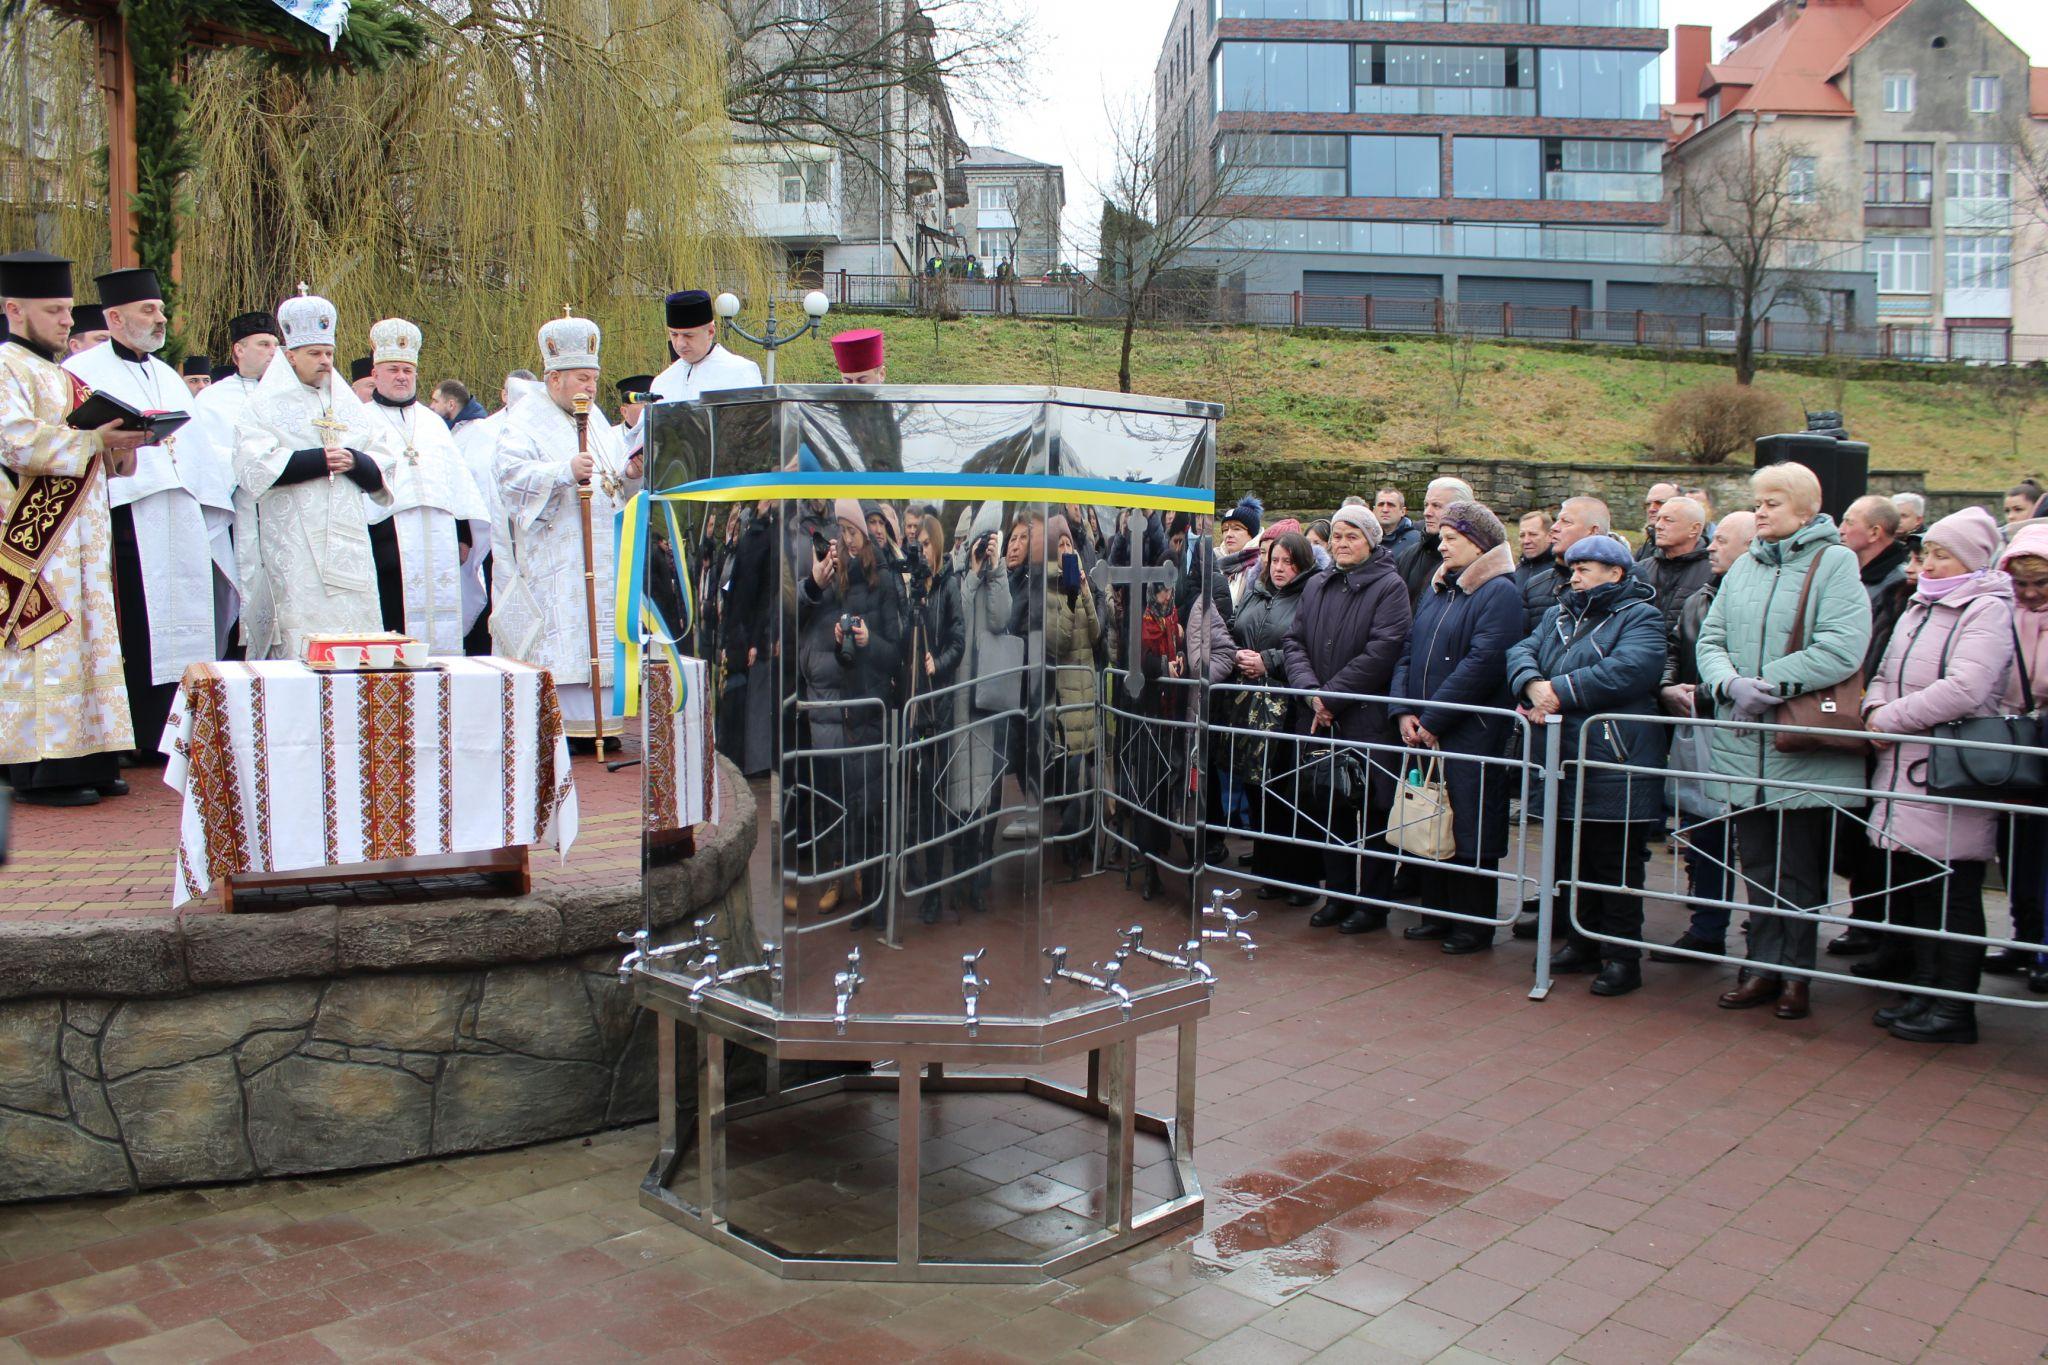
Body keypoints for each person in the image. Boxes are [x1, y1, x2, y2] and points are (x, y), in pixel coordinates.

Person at [1696, 462, 1872, 1021]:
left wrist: (1768, 684)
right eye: (1758, 502)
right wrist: (1729, 683)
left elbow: (1843, 646)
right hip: (1746, 741)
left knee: (1797, 869)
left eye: (1772, 502)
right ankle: (1760, 966)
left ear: (1804, 509)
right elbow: (1712, 636)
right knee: (1759, 864)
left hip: (1798, 747)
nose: (1761, 511)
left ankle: (1796, 974)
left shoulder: (1835, 563)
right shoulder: (1745, 565)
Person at [63, 267, 234, 760]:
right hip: (126, 518)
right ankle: (134, 735)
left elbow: (196, 447)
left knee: (185, 617)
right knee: (134, 623)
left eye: (160, 309)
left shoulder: (166, 374)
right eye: (148, 310)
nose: (161, 318)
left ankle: (175, 731)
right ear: (114, 317)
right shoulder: (82, 371)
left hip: (179, 512)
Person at [1859, 506, 2014, 1044]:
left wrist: (1890, 720)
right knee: (1920, 892)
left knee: (1953, 894)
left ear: (1969, 558)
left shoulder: (1987, 609)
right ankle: (1924, 990)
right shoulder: (1918, 606)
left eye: (1943, 555)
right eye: (1929, 553)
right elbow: (1883, 672)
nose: (1929, 563)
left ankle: (1954, 1007)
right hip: (1906, 768)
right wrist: (1873, 710)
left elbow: (1967, 688)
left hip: (1947, 772)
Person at [0, 250, 148, 806]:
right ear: (15, 309)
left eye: (67, 310)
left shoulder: (64, 376)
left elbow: (97, 449)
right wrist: (93, 441)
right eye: (55, 310)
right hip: (36, 540)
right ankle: (43, 772)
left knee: (90, 644)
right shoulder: (5, 367)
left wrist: (126, 443)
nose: (68, 320)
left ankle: (93, 755)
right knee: (47, 647)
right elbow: (15, 439)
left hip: (83, 539)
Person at [1508, 534, 1669, 996]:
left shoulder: (1640, 615)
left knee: (1614, 863)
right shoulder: (1560, 616)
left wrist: (1555, 690)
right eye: (1572, 568)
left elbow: (1631, 669)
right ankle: (1582, 940)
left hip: (1613, 757)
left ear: (1616, 573)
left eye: (1584, 569)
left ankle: (1620, 955)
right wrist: (1532, 685)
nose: (1573, 576)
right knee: (1570, 858)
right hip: (1562, 756)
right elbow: (1521, 651)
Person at [490, 311, 641, 739]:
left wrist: (629, 474)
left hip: (602, 550)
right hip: (558, 555)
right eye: (581, 379)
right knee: (567, 636)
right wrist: (562, 471)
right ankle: (565, 727)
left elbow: (609, 479)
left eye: (593, 379)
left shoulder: (593, 419)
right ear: (553, 378)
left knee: (602, 634)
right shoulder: (522, 420)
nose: (590, 388)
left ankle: (603, 725)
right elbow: (509, 479)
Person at [232, 287, 400, 660]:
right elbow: (252, 467)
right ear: (290, 356)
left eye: (328, 353)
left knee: (357, 639)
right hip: (294, 546)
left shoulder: (348, 406)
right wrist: (318, 459)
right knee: (302, 632)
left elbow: (383, 461)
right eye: (314, 354)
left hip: (349, 545)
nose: (325, 361)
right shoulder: (261, 406)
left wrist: (355, 461)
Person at [1389, 500, 1520, 951]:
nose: (1441, 545)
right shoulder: (1439, 586)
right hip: (1429, 728)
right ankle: (1437, 911)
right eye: (1442, 537)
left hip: (1472, 732)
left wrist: (1433, 718)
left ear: (1479, 543)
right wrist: (1404, 710)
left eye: (1452, 538)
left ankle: (1472, 923)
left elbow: (1482, 664)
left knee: (1470, 826)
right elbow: (1409, 649)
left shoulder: (1499, 592)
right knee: (1432, 819)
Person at [1283, 505, 1411, 931]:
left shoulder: (1390, 586)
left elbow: (1383, 649)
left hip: (1366, 719)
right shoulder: (1317, 584)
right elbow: (1294, 642)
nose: (1341, 543)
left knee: (1374, 813)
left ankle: (1372, 904)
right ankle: (1337, 894)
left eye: (1351, 535)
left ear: (1371, 541)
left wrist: (1331, 697)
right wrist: (1310, 693)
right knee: (1328, 807)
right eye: (1336, 535)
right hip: (1320, 717)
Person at [1651, 510, 1757, 963]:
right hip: (1700, 726)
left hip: (1747, 733)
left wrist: (1712, 694)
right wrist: (1668, 685)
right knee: (1707, 830)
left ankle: (1765, 931)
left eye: (1724, 540)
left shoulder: (1758, 602)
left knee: (1757, 840)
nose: (1712, 546)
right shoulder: (1700, 598)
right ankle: (1708, 927)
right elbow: (1675, 647)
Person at [359, 318, 491, 655]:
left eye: (407, 369)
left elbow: (455, 481)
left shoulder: (433, 422)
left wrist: (463, 535)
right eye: (393, 369)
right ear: (376, 373)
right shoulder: (359, 419)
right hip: (386, 540)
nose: (401, 376)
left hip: (438, 540)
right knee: (391, 626)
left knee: (440, 628)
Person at [797, 499, 902, 916]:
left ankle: (863, 875)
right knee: (833, 800)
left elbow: (895, 653)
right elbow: (792, 622)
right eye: (841, 531)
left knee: (864, 801)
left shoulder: (882, 582)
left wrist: (867, 642)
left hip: (862, 706)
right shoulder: (827, 578)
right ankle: (840, 874)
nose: (847, 539)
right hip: (827, 705)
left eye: (853, 531)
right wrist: (813, 584)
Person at [1823, 493, 1915, 960]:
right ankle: (1866, 919)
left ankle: (1878, 925)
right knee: (1858, 829)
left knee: (1876, 830)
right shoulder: (1856, 578)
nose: (1840, 527)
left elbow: (1877, 652)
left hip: (1877, 720)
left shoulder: (1895, 585)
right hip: (1857, 716)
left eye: (1849, 521)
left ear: (1876, 532)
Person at [1231, 531, 1317, 903]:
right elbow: (1237, 626)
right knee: (1258, 787)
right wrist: (1239, 656)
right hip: (1250, 704)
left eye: (1287, 562)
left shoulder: (1311, 595)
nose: (1279, 568)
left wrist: (1268, 661)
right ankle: (1270, 871)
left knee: (1287, 792)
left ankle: (1299, 878)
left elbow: (1306, 645)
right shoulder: (1257, 590)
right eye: (1274, 561)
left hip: (1286, 708)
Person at [946, 504, 1013, 910]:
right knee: (957, 792)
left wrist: (997, 568)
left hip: (985, 694)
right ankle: (959, 877)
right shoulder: (957, 573)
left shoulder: (995, 574)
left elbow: (1000, 616)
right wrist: (971, 572)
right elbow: (957, 612)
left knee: (983, 793)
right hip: (958, 694)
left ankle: (977, 882)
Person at [1991, 524, 2048, 994]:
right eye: (2021, 583)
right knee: (2015, 848)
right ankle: (2024, 936)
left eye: (2040, 584)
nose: (2029, 593)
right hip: (2016, 740)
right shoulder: (2005, 614)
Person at [904, 513, 964, 921]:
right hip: (909, 707)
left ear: (938, 547)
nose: (921, 549)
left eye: (927, 543)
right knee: (916, 800)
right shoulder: (910, 588)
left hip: (937, 707)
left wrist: (937, 664)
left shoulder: (949, 585)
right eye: (917, 543)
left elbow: (958, 640)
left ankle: (934, 891)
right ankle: (918, 878)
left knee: (936, 799)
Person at [649, 289, 762, 403]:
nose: (680, 344)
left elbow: (752, 418)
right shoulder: (662, 382)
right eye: (674, 334)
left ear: (710, 332)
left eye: (688, 335)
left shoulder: (740, 372)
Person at [1632, 495, 1712, 638]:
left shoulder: (1713, 572)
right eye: (1658, 519)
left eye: (1668, 520)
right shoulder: (1642, 569)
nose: (1658, 526)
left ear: (1694, 529)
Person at [1524, 496, 1607, 633]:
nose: (1554, 528)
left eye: (1566, 522)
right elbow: (1523, 644)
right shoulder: (1534, 585)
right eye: (1557, 521)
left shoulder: (1625, 581)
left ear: (1593, 531)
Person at [1397, 477, 1475, 606]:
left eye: (1436, 506)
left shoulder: (1475, 563)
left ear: (1462, 511)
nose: (1427, 513)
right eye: (1426, 505)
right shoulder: (1409, 556)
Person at [1218, 496, 1262, 609]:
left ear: (1252, 534)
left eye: (1236, 528)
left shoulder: (1261, 566)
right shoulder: (1214, 562)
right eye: (1225, 529)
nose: (1229, 534)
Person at [1636, 482, 1679, 560]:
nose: (1651, 509)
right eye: (1648, 504)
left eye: (1659, 503)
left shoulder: (1686, 547)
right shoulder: (1645, 548)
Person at [1375, 488, 1419, 556]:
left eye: (1391, 505)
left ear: (1403, 511)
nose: (1385, 510)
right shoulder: (1367, 539)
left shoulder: (1415, 540)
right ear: (1374, 510)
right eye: (1381, 504)